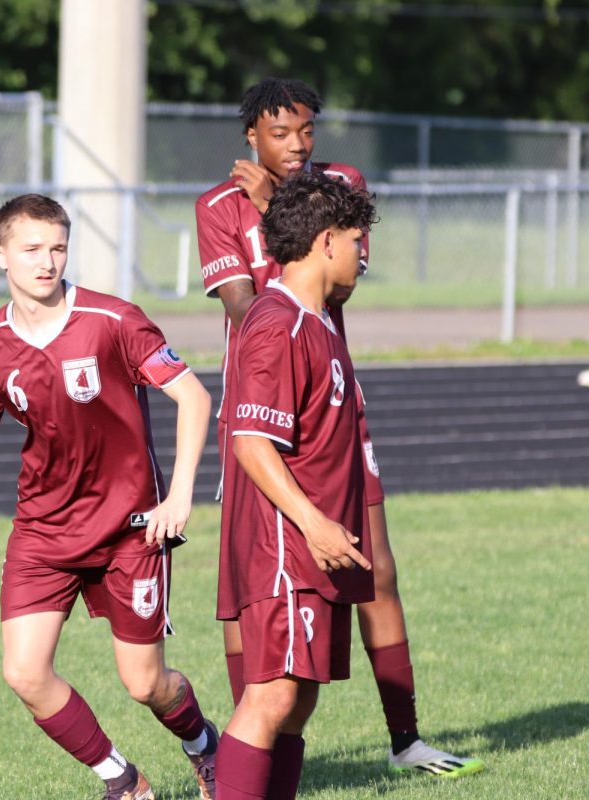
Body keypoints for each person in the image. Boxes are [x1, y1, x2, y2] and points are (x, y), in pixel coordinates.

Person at [195, 78, 484, 779]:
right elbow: (247, 311)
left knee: (373, 568)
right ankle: (243, 753)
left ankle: (402, 736)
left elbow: (341, 282)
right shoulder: (218, 210)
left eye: (305, 131)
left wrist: (280, 214)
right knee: (256, 610)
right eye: (280, 133)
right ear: (251, 138)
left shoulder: (340, 187)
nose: (296, 145)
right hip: (270, 409)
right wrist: (282, 229)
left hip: (331, 399)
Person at [0, 194, 218, 800]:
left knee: (145, 684)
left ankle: (205, 745)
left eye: (57, 247)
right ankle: (123, 781)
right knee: (24, 672)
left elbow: (194, 396)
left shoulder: (115, 321)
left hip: (132, 528)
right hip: (44, 529)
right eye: (31, 249)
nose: (47, 261)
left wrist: (180, 493)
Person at [214, 171, 379, 798]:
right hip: (288, 546)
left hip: (321, 544)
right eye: (359, 240)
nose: (365, 255)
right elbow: (250, 440)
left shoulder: (320, 320)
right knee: (273, 694)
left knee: (299, 698)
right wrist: (313, 522)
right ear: (327, 240)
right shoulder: (275, 322)